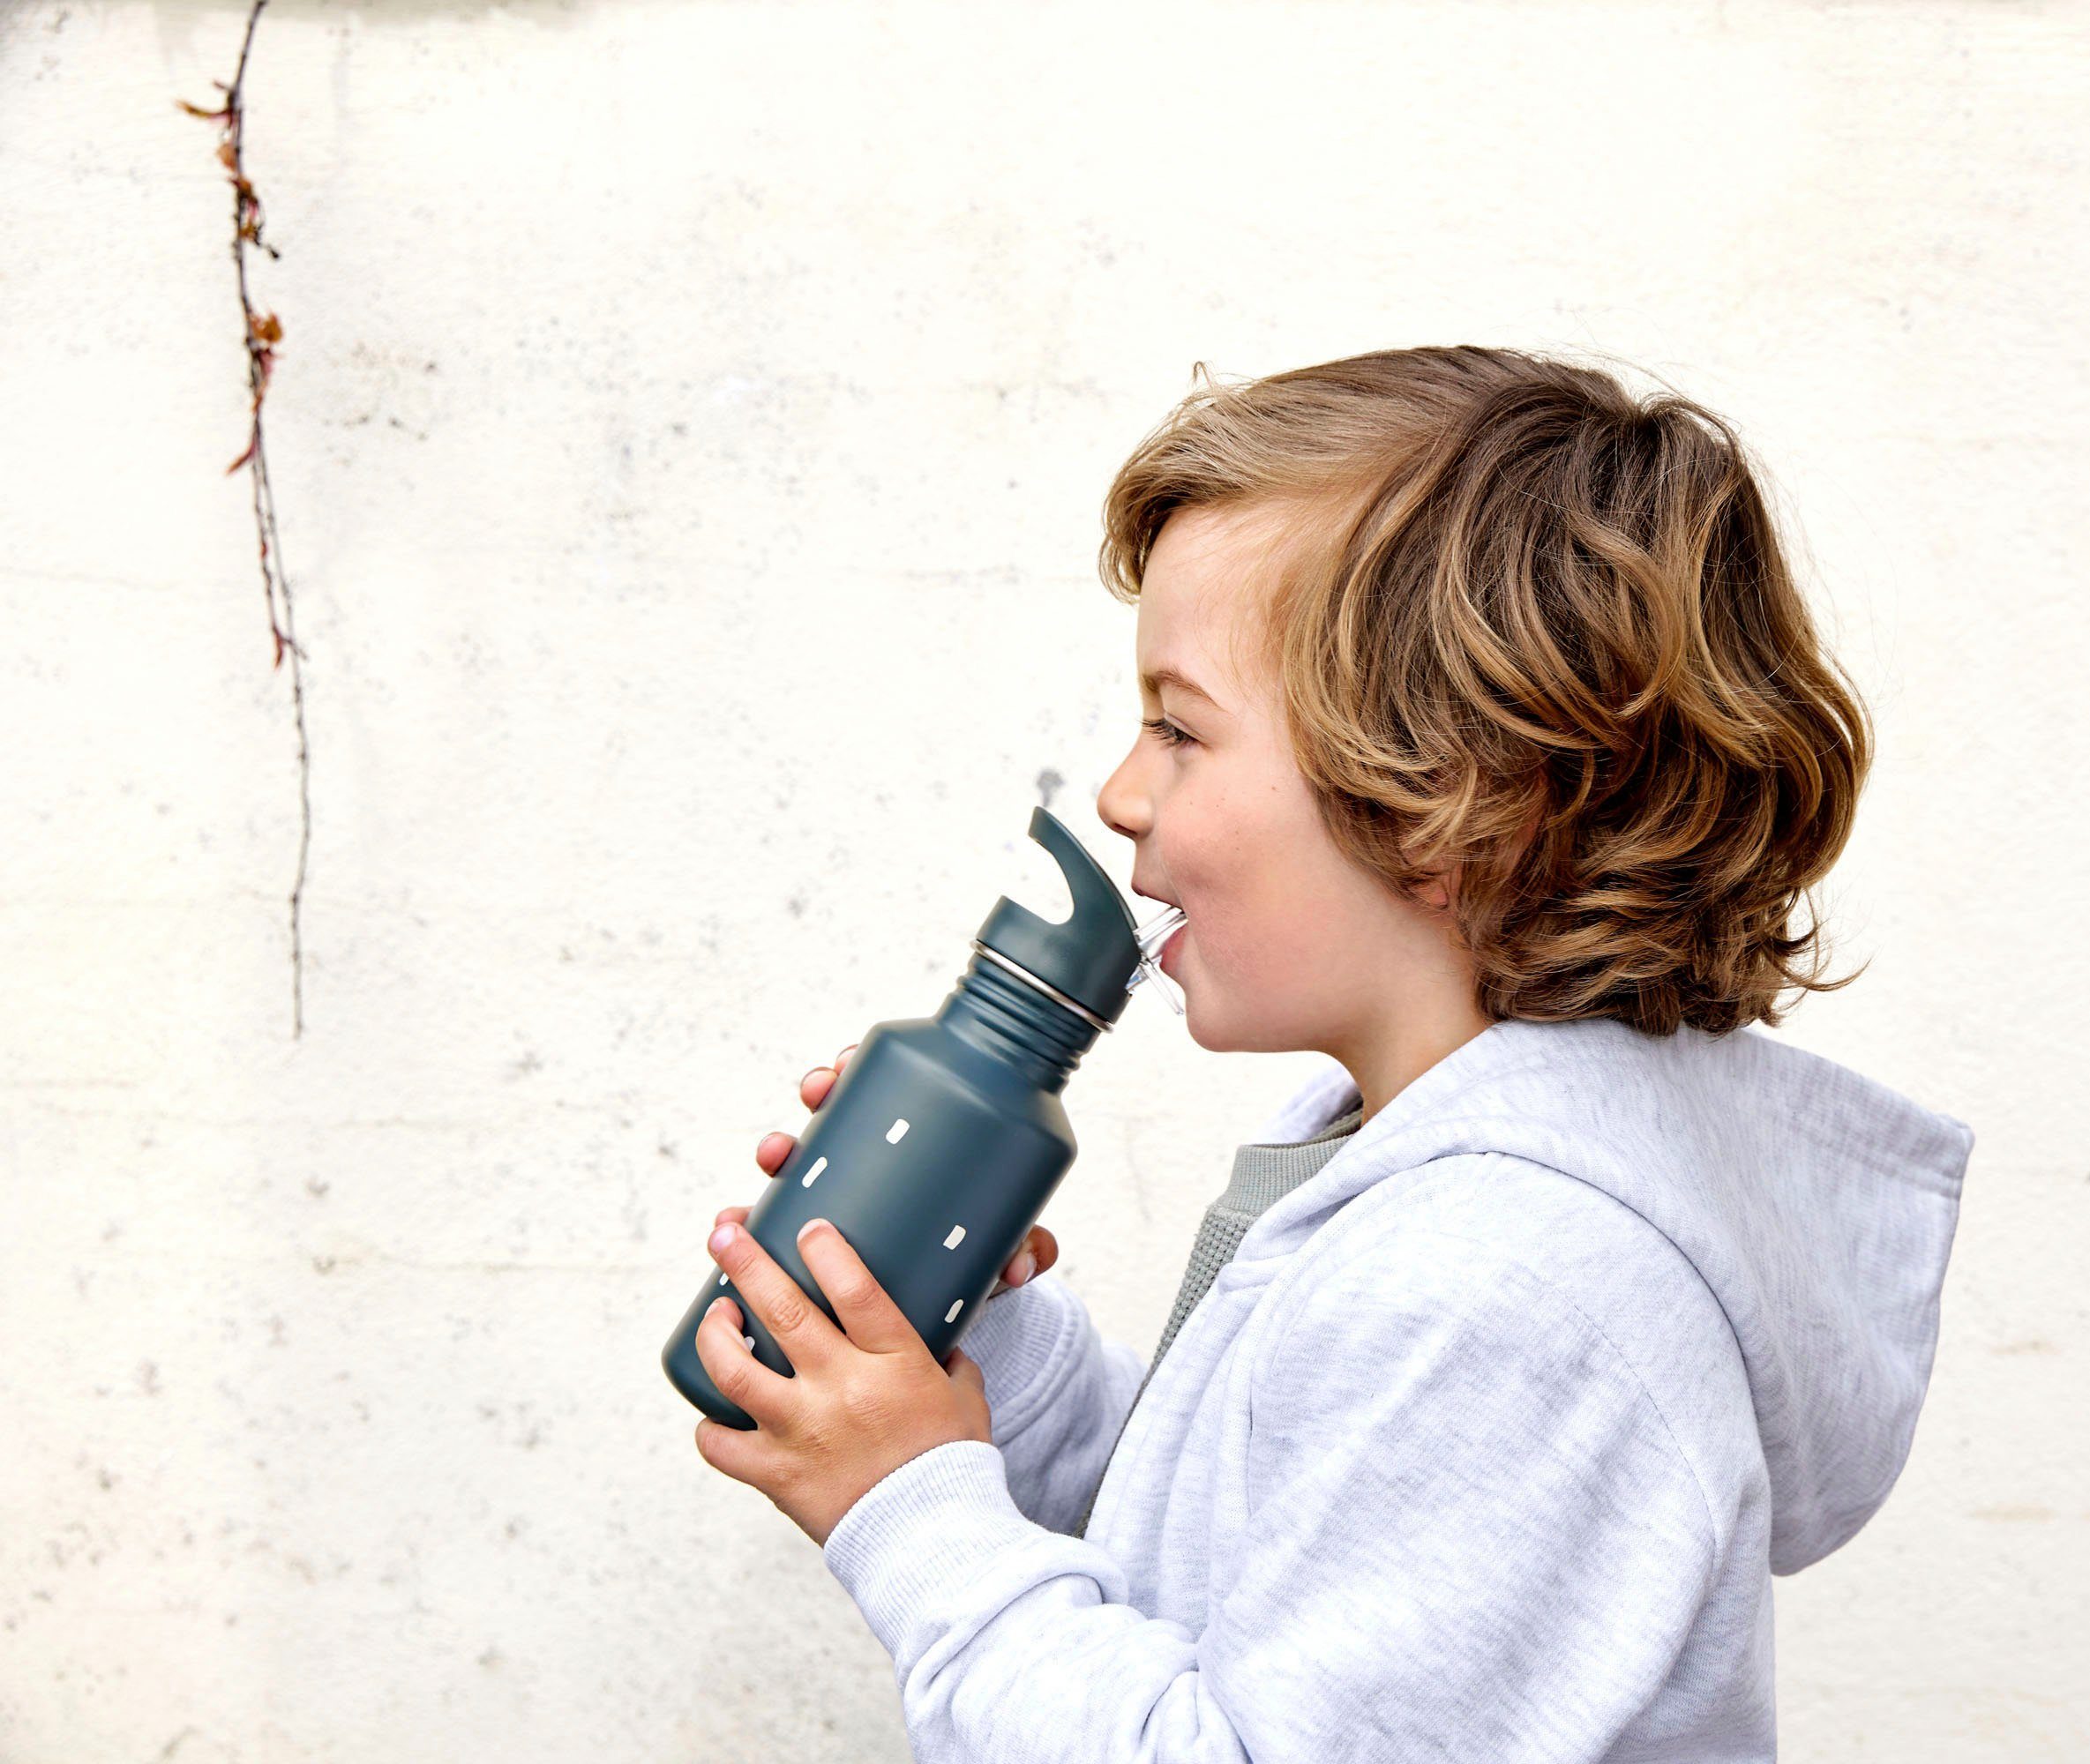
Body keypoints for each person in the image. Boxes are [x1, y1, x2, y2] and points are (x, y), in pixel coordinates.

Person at [708, 346, 1973, 1761]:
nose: (1124, 795)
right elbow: (1241, 1547)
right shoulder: (1408, 1166)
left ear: (1457, 803)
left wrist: (914, 1511)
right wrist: (989, 1366)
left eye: (1180, 729)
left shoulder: (1516, 1280)